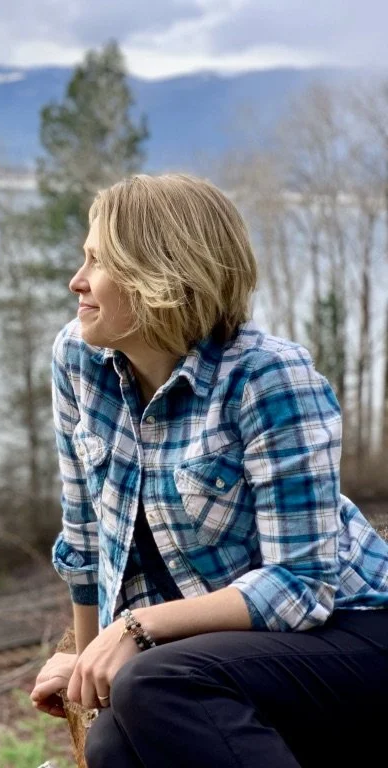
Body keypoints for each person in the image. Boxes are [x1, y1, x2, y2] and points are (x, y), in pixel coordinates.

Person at [29, 173, 388, 768]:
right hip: (219, 655)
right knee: (114, 741)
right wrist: (90, 669)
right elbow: (84, 540)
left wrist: (136, 629)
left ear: (159, 277)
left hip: (354, 633)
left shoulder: (269, 377)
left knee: (153, 681)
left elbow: (300, 586)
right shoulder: (77, 359)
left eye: (98, 261)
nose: (77, 281)